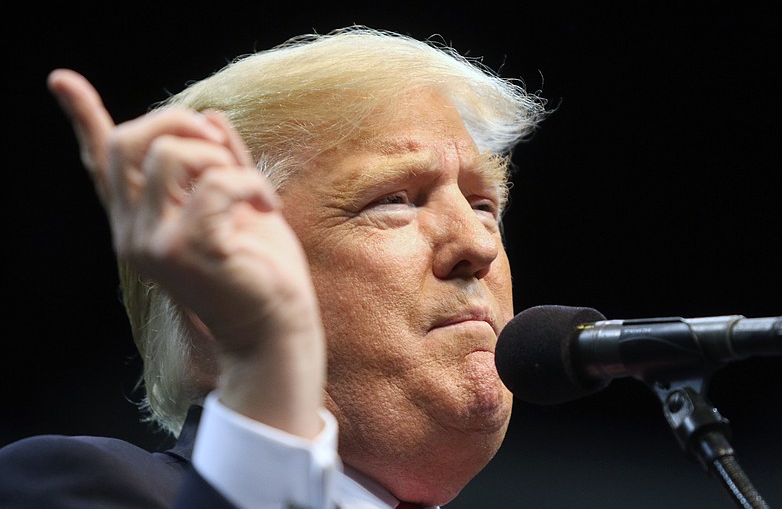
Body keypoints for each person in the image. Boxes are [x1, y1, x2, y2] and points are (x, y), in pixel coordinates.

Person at [0, 25, 547, 508]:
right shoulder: (76, 487)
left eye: (484, 206)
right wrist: (267, 356)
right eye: (395, 200)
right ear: (213, 285)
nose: (478, 243)